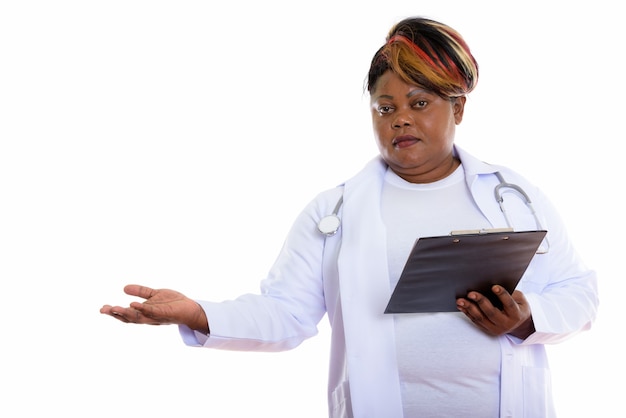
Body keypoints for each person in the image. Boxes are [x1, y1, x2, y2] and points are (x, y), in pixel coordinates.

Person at [100, 16, 599, 418]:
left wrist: (528, 317)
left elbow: (578, 291)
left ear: (458, 108)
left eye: (419, 103)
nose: (400, 118)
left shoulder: (515, 197)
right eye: (385, 108)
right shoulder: (333, 211)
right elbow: (287, 314)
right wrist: (198, 312)